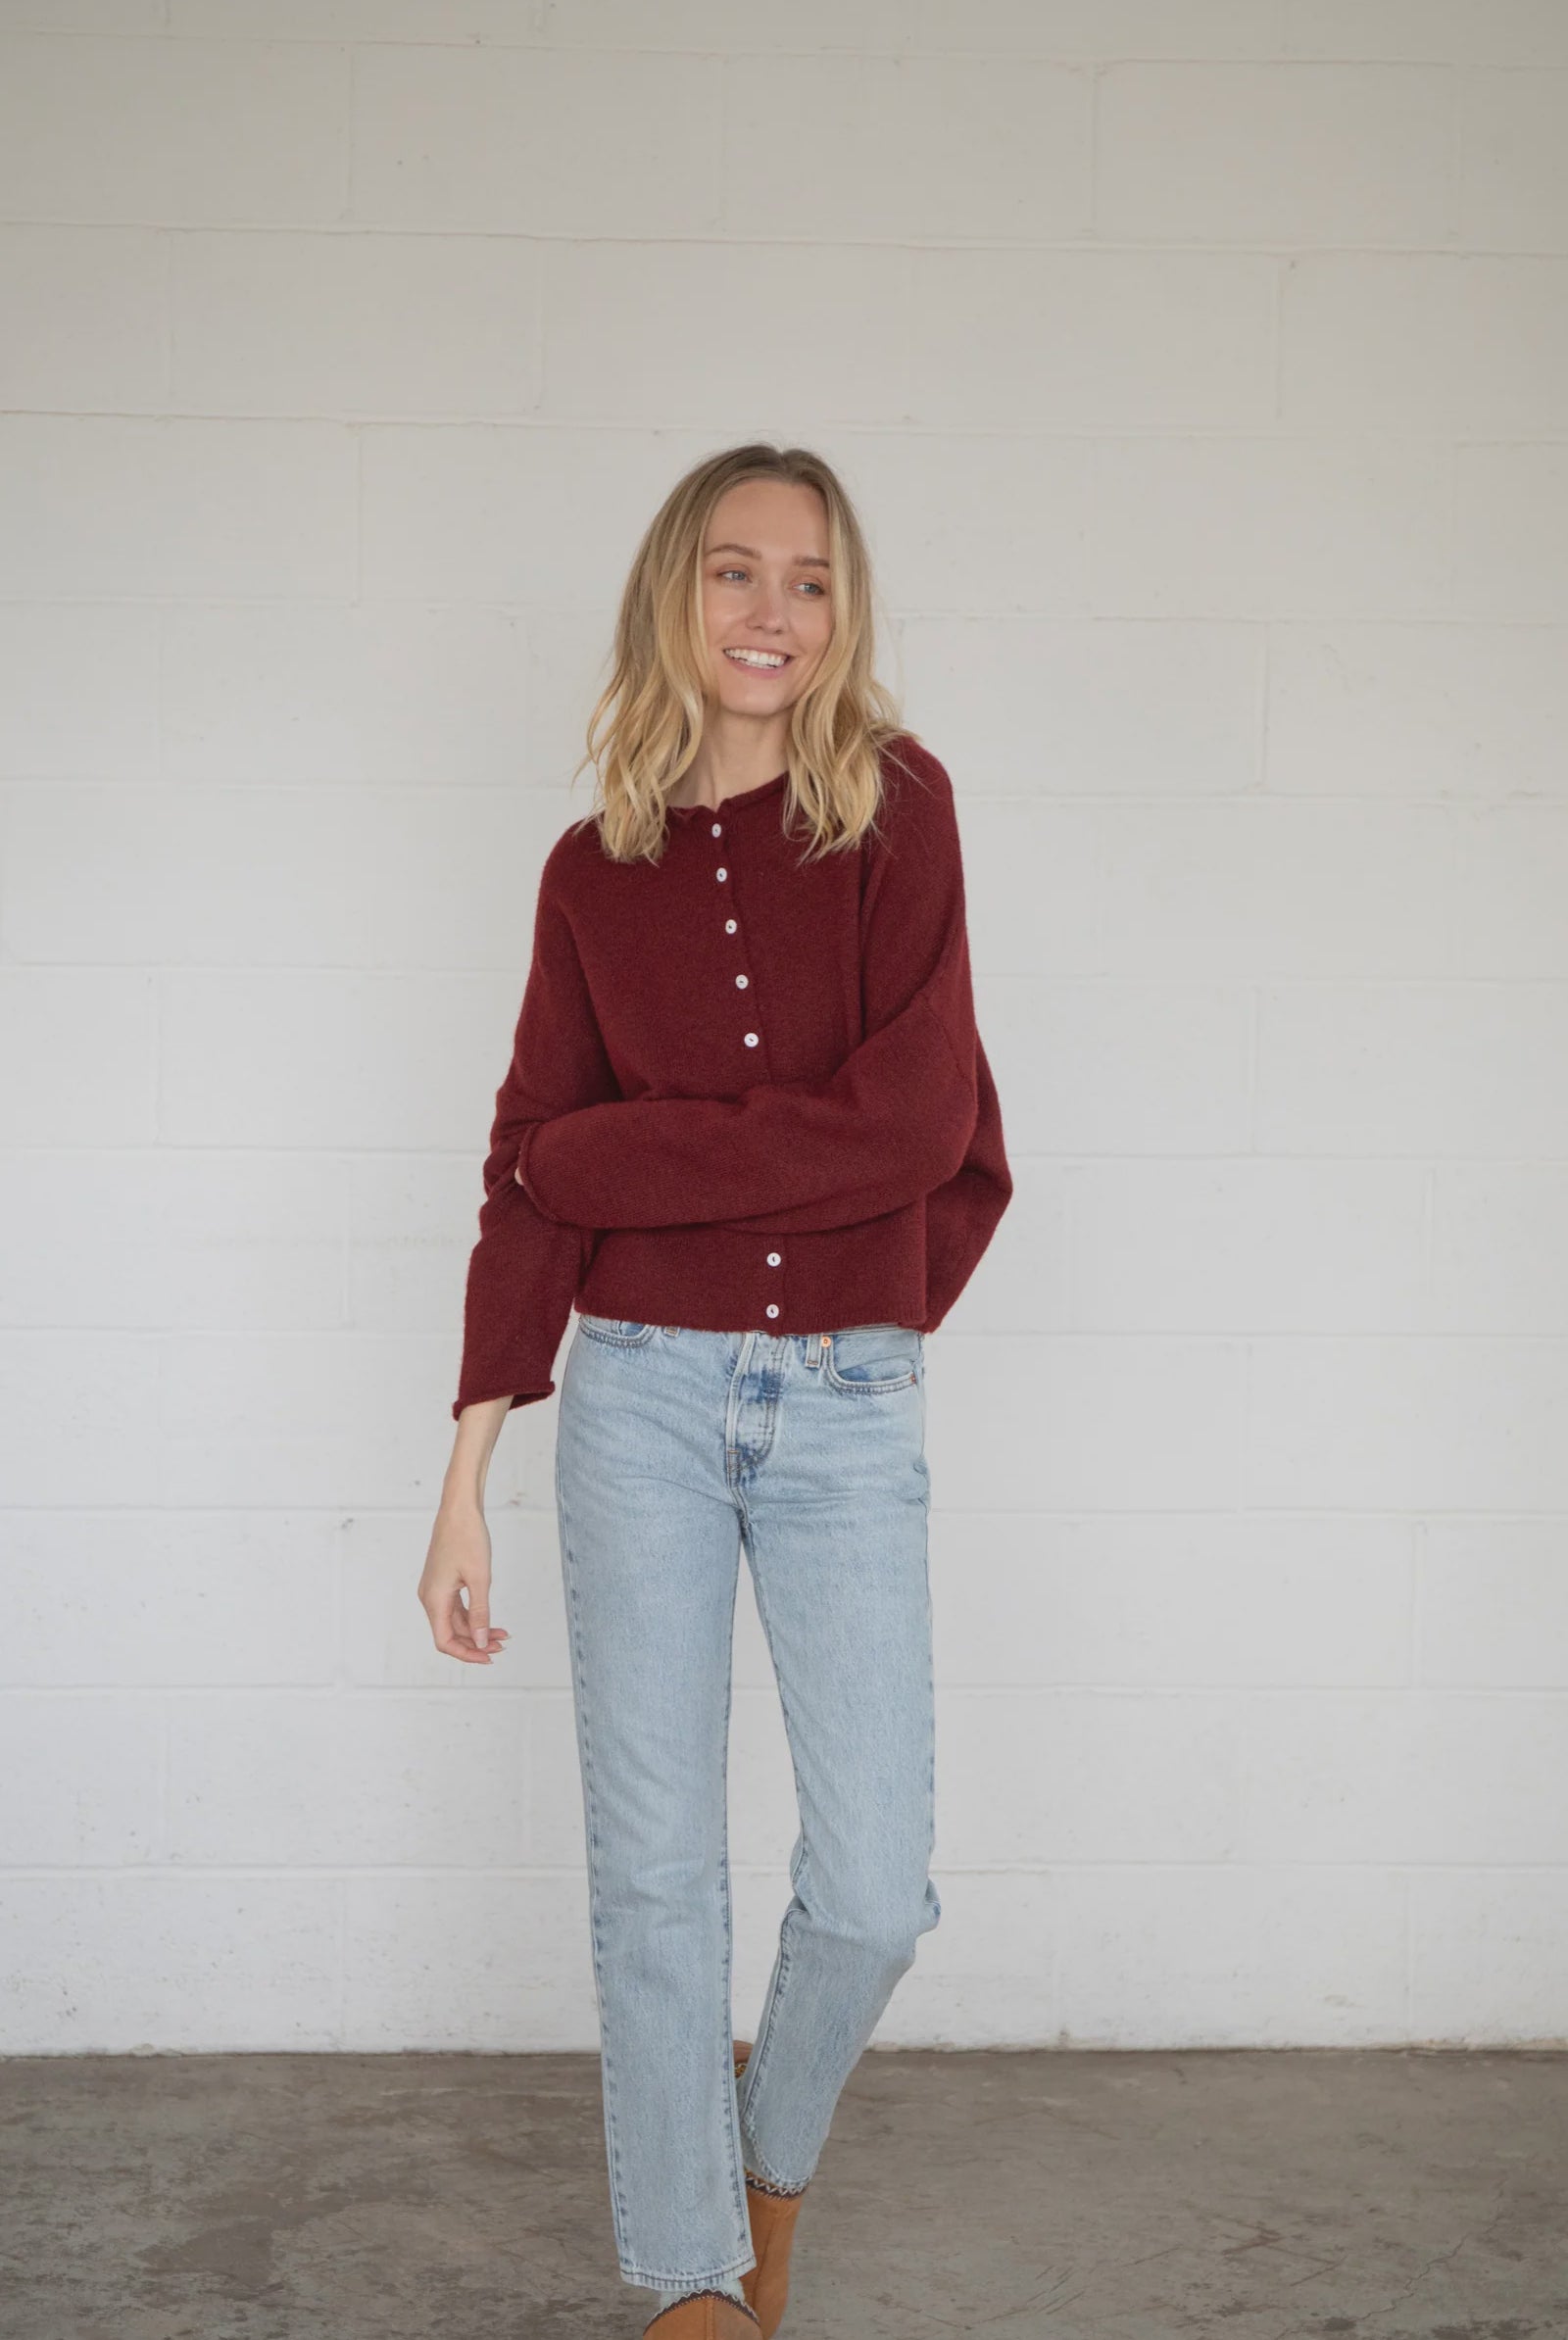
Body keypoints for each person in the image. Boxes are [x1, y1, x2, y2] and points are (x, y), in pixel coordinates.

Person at [419, 443, 1012, 2337]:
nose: (774, 614)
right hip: (642, 1409)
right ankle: (686, 2282)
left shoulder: (900, 812)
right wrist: (465, 1469)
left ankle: (757, 2162)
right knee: (656, 1877)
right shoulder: (593, 873)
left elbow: (922, 1125)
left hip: (846, 1401)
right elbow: (527, 1168)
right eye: (735, 573)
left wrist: (629, 1164)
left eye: (812, 582)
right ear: (673, 596)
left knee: (878, 1887)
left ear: (846, 616)